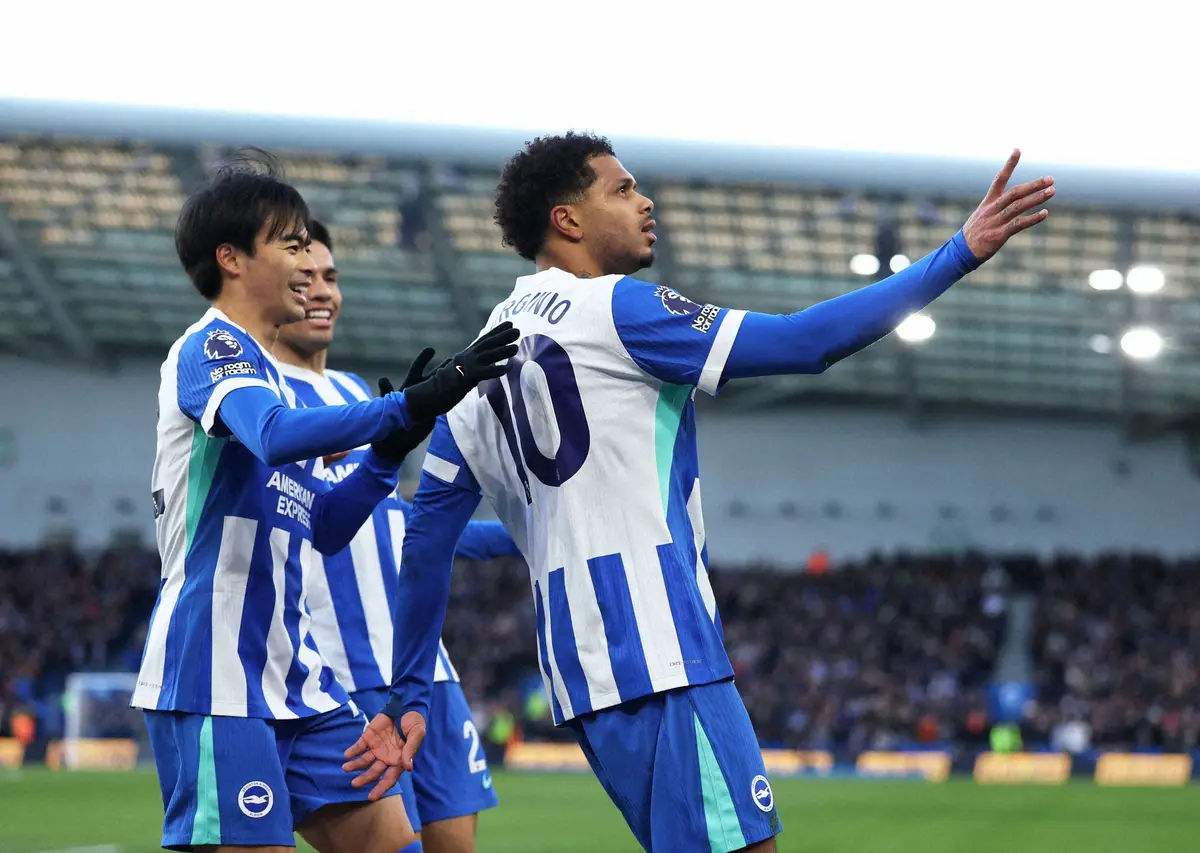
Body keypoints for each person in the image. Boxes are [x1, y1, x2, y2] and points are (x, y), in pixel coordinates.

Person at [344, 135, 1055, 853]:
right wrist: (957, 253)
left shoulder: (469, 372)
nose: (645, 201)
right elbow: (803, 342)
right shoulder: (615, 308)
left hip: (581, 671)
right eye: (622, 189)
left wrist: (408, 694)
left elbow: (425, 546)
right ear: (568, 219)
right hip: (660, 649)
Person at [132, 152, 517, 853]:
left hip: (298, 676)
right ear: (232, 260)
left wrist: (386, 454)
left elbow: (328, 524)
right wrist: (406, 405)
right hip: (215, 674)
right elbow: (274, 436)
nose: (307, 265)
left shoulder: (272, 379)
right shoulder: (208, 349)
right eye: (290, 245)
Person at [272, 220, 517, 852]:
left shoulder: (353, 391)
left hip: (424, 670)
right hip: (343, 675)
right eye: (303, 278)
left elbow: (394, 524)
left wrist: (529, 534)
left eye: (330, 277)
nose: (320, 291)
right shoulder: (263, 402)